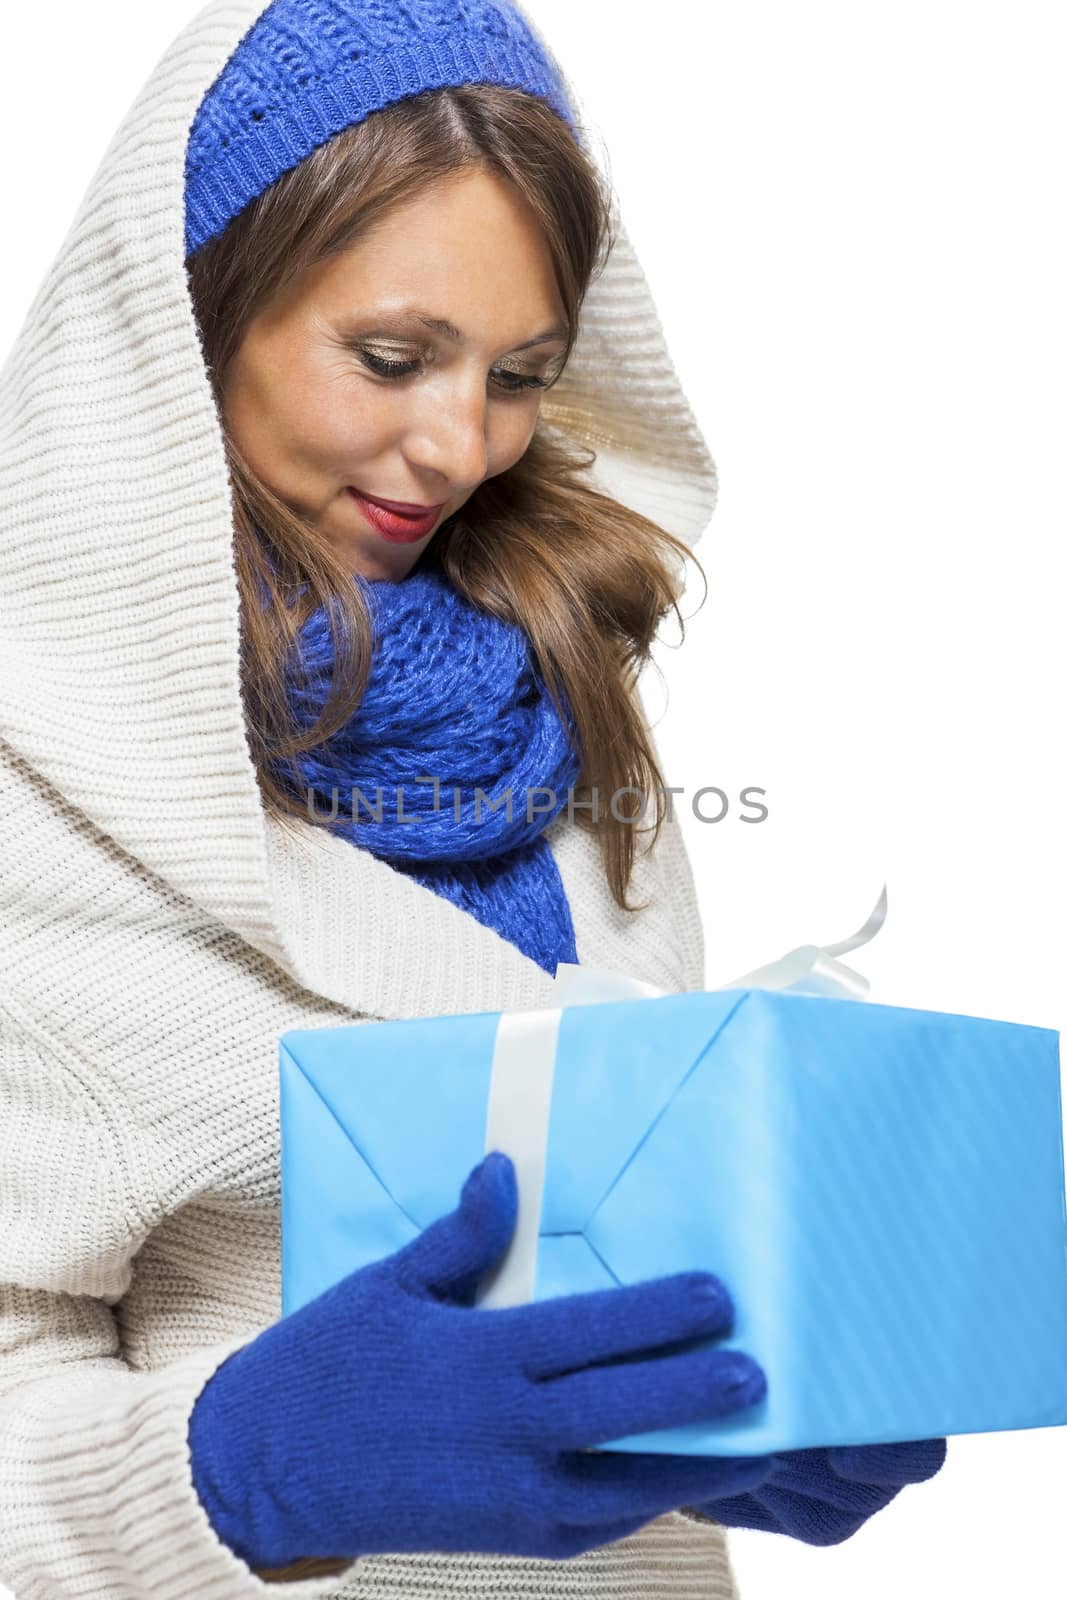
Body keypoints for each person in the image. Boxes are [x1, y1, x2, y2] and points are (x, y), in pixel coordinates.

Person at [0, 0, 945, 1594]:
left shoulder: (552, 705)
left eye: (520, 374)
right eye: (391, 356)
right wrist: (246, 1472)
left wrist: (742, 1402)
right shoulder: (31, 793)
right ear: (188, 318)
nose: (457, 447)